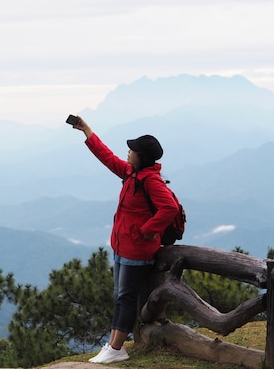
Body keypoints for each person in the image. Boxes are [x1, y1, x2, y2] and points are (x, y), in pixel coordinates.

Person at [71, 116, 178, 364]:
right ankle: (113, 345)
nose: (128, 152)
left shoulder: (150, 180)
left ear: (142, 157)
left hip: (136, 251)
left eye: (132, 150)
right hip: (122, 248)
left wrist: (147, 230)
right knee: (120, 295)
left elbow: (169, 208)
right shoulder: (132, 173)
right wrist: (87, 130)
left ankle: (117, 348)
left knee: (126, 297)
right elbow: (107, 157)